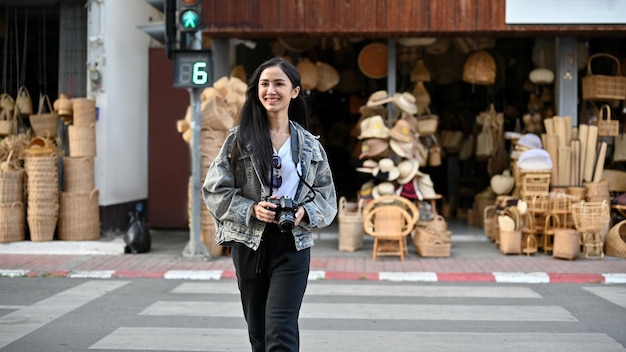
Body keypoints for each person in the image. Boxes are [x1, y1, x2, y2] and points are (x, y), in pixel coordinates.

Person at [202, 57, 338, 352]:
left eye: (279, 83)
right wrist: (251, 209)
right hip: (250, 246)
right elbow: (214, 190)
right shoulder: (239, 140)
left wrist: (305, 212)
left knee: (281, 331)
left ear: (295, 92)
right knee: (259, 334)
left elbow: (328, 199)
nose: (270, 90)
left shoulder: (311, 145)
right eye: (264, 84)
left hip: (293, 244)